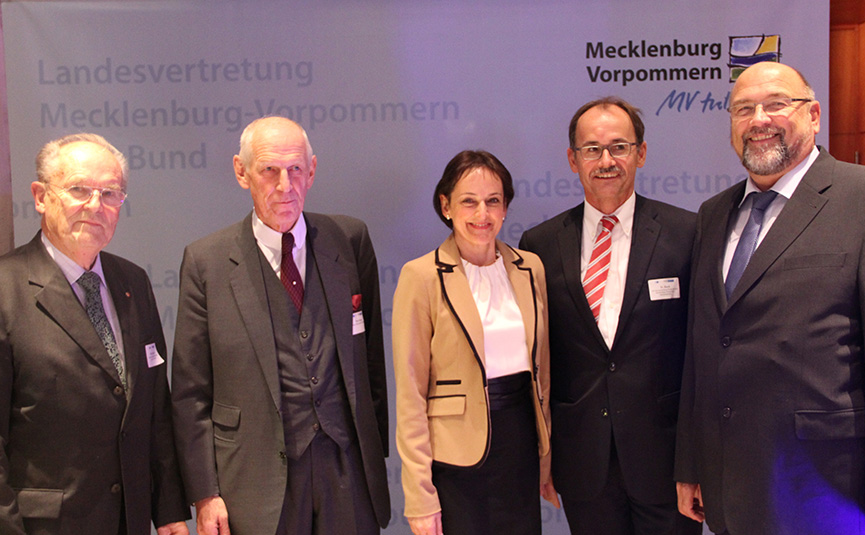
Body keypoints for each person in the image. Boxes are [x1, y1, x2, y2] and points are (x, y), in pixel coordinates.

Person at [675, 61, 865, 535]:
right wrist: (691, 463)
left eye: (776, 104)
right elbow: (702, 349)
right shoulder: (713, 214)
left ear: (814, 115)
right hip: (728, 483)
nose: (758, 120)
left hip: (827, 488)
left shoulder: (862, 197)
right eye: (743, 109)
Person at [170, 116, 390, 535]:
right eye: (269, 170)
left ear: (312, 171)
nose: (285, 185)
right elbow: (190, 393)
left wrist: (372, 455)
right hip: (255, 482)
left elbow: (371, 364)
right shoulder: (206, 262)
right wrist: (205, 493)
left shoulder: (349, 241)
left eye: (295, 169)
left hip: (347, 475)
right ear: (242, 172)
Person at [519, 97, 700, 535]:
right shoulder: (539, 245)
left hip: (666, 462)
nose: (606, 161)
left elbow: (701, 355)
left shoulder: (686, 233)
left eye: (619, 147)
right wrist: (544, 455)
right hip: (583, 463)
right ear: (572, 159)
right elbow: (538, 361)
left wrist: (697, 459)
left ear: (641, 153)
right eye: (592, 149)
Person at [0, 133, 189, 535]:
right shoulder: (5, 289)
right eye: (78, 190)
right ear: (40, 197)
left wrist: (169, 510)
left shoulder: (132, 282)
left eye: (109, 194)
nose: (94, 205)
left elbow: (154, 408)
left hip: (129, 521)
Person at [392, 150, 556, 535]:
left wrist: (547, 460)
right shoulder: (421, 277)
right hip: (456, 458)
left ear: (505, 208)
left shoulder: (529, 268)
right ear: (446, 206)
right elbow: (411, 395)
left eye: (493, 201)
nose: (482, 213)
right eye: (469, 201)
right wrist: (419, 495)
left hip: (520, 444)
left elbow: (544, 372)